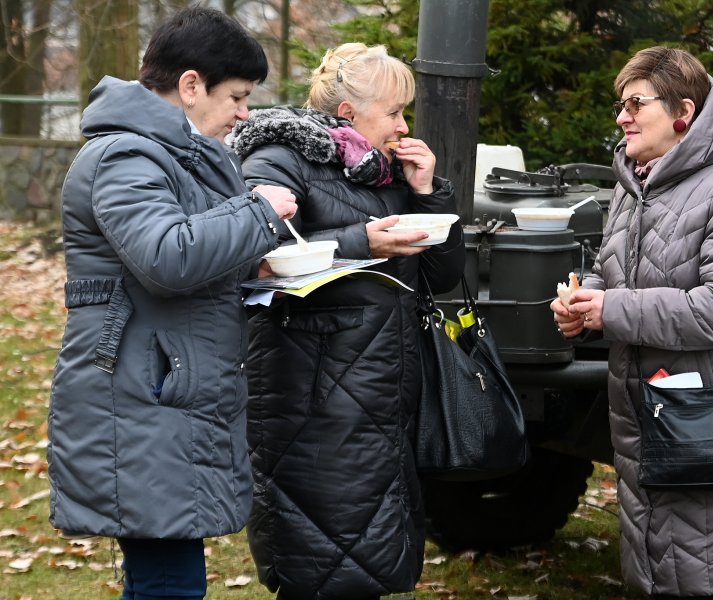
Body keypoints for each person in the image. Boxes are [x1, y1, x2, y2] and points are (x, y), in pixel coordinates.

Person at [46, 7, 297, 600]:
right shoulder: (124, 158)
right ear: (190, 86)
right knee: (168, 581)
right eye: (236, 97)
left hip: (163, 391)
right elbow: (165, 257)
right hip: (139, 396)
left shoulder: (173, 156)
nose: (244, 114)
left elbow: (197, 253)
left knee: (168, 575)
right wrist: (259, 212)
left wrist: (265, 256)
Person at [550, 46, 713, 599]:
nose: (622, 117)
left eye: (637, 103)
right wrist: (583, 302)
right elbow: (609, 273)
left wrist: (612, 311)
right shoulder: (632, 186)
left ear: (683, 112)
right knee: (665, 567)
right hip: (656, 419)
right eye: (621, 104)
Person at [231, 43, 465, 599]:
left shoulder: (384, 172)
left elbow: (444, 273)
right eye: (394, 113)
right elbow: (248, 254)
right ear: (347, 115)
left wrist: (429, 191)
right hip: (311, 395)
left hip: (381, 391)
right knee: (323, 562)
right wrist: (360, 242)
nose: (403, 125)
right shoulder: (277, 160)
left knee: (367, 553)